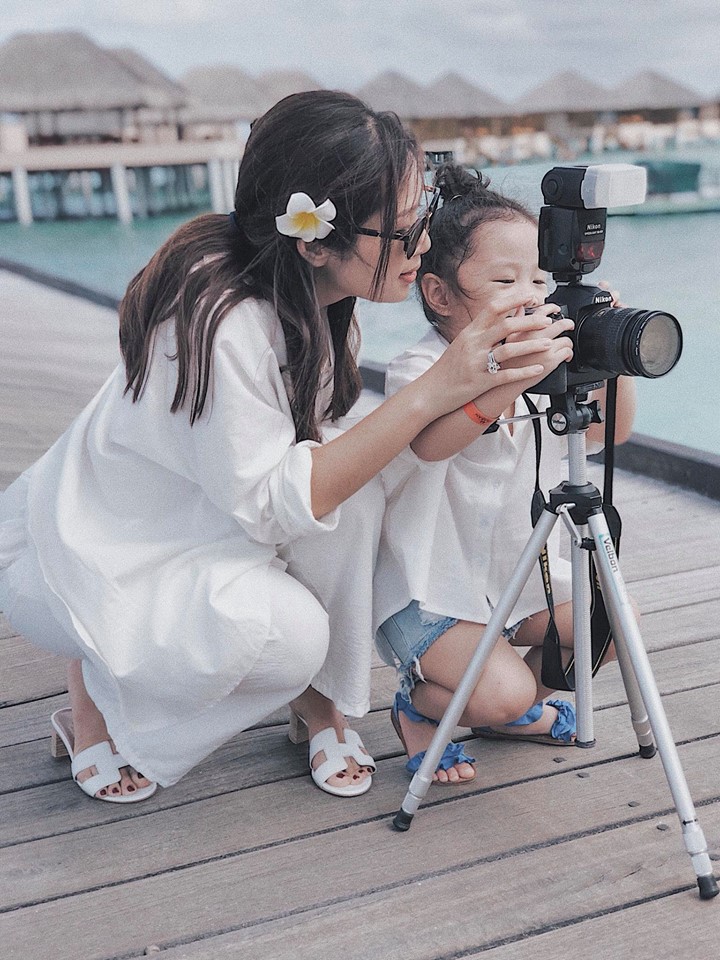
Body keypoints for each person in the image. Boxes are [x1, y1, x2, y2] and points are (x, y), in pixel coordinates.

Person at [0, 93, 558, 803]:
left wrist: (475, 389)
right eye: (405, 229)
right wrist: (437, 386)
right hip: (93, 559)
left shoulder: (316, 299)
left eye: (423, 213)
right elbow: (272, 503)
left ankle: (319, 708)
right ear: (314, 241)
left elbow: (321, 470)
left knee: (360, 486)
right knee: (284, 637)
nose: (425, 242)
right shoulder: (219, 321)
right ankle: (96, 689)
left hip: (208, 529)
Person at [374, 164, 636, 784]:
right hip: (430, 588)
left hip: (512, 579)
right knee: (506, 691)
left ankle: (501, 709)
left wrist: (611, 353)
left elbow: (611, 432)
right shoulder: (418, 370)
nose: (530, 296)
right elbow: (433, 445)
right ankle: (422, 706)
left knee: (612, 625)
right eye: (504, 280)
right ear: (440, 294)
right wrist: (510, 378)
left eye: (540, 279)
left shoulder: (540, 366)